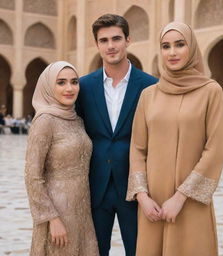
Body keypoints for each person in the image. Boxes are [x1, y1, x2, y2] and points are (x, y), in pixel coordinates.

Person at [126, 22, 223, 255]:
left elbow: (214, 149)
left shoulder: (210, 91)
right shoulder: (149, 95)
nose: (172, 52)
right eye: (165, 46)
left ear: (191, 48)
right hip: (153, 204)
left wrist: (180, 198)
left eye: (180, 45)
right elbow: (138, 148)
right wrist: (142, 196)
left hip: (190, 202)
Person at [76, 14, 158, 256]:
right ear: (97, 44)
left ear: (128, 40)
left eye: (116, 39)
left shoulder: (151, 86)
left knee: (138, 250)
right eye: (104, 40)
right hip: (95, 187)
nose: (110, 46)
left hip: (136, 188)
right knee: (96, 251)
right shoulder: (84, 86)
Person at [25, 61, 99, 256]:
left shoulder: (76, 120)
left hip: (82, 212)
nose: (69, 88)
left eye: (74, 82)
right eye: (61, 82)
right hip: (57, 214)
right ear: (49, 86)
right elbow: (32, 176)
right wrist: (52, 219)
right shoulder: (45, 121)